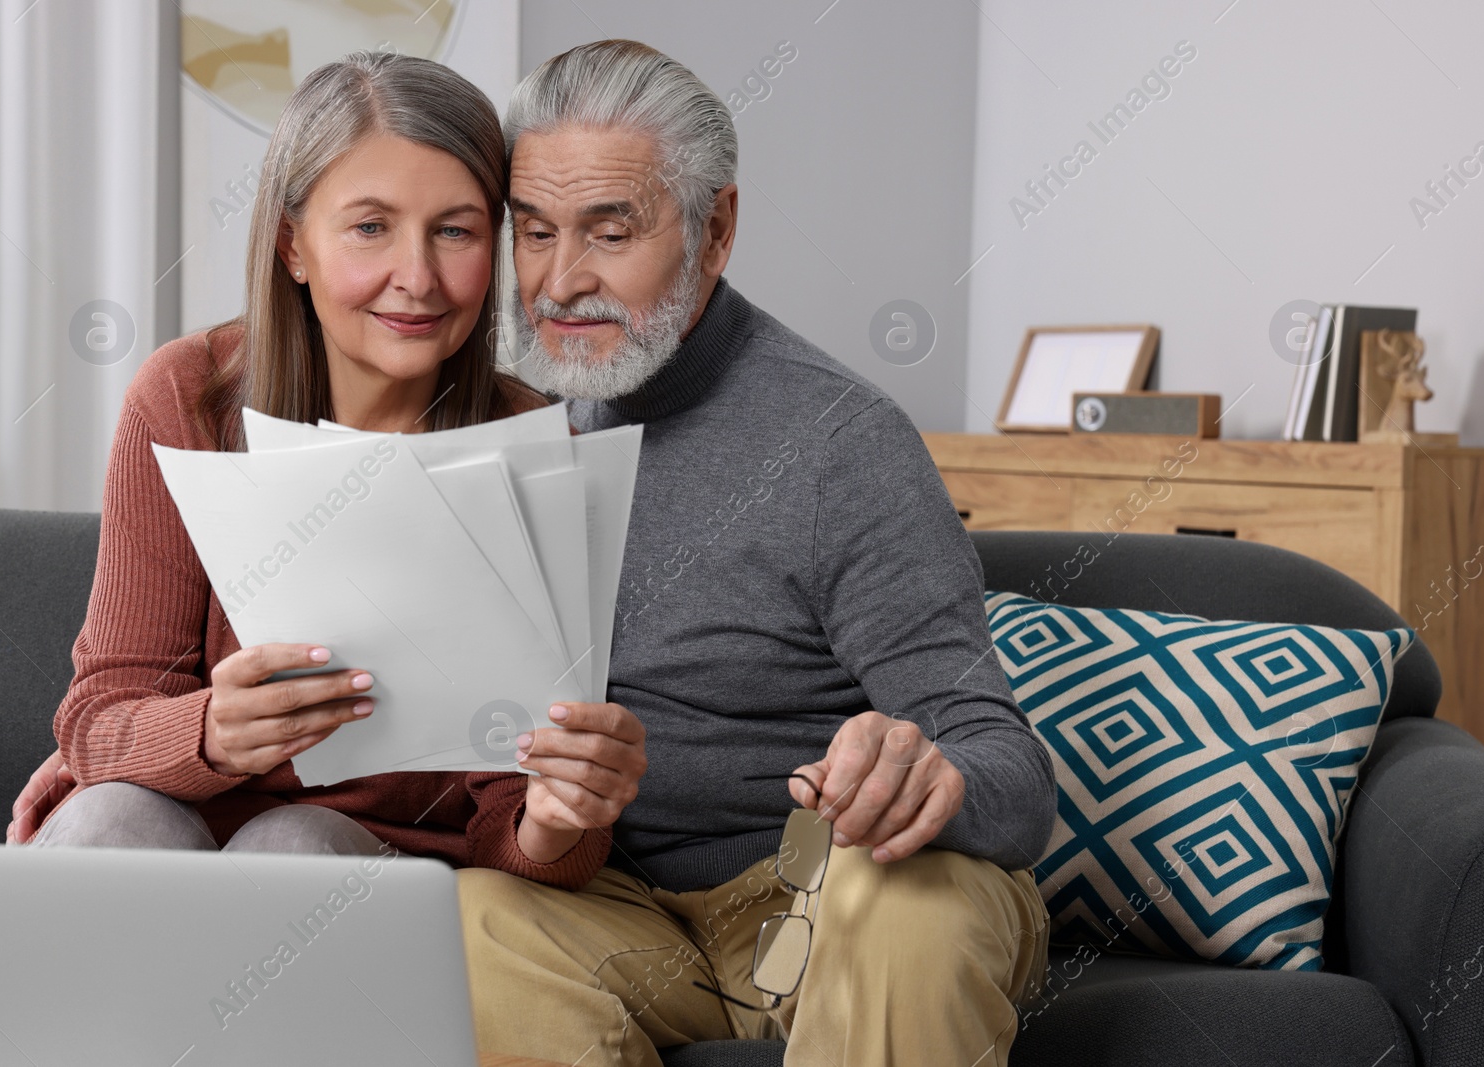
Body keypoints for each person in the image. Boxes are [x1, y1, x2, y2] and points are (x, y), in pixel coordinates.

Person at [451, 40, 1058, 1067]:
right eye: (536, 231)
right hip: (622, 909)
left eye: (611, 229)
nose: (562, 279)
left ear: (714, 228)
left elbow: (1014, 777)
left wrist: (932, 774)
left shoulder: (839, 443)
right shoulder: (516, 425)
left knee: (904, 897)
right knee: (464, 923)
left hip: (825, 890)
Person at [10, 52, 645, 889]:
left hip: (358, 870)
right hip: (159, 828)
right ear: (292, 244)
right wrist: (209, 731)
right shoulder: (187, 396)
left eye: (454, 230)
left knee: (294, 846)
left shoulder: (531, 443)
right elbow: (97, 722)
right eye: (370, 227)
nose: (415, 279)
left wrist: (556, 820)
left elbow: (517, 828)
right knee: (107, 816)